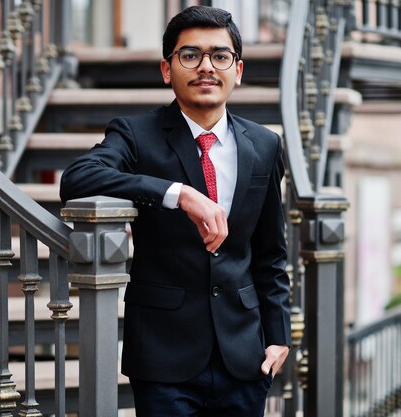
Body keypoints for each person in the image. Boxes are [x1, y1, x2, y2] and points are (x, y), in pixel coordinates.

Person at [60, 5, 291, 416]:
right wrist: (177, 193)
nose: (206, 67)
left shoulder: (265, 144)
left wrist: (279, 336)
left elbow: (270, 252)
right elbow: (78, 177)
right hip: (165, 357)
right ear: (167, 70)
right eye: (190, 56)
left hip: (246, 355)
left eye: (220, 56)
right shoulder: (136, 134)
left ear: (237, 70)